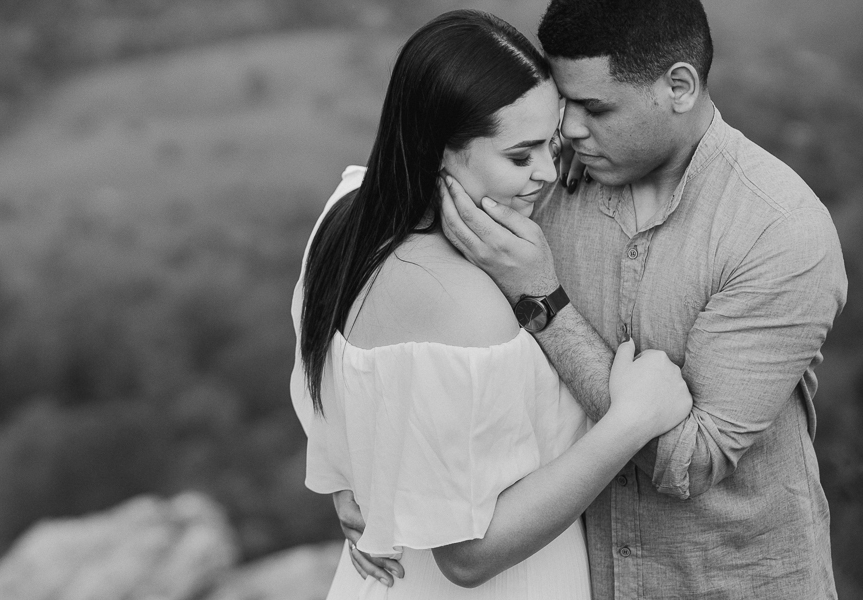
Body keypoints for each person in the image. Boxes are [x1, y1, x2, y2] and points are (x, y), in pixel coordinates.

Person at [430, 0, 847, 598]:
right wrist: (357, 461)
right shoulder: (542, 179)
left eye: (595, 108)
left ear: (678, 86)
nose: (569, 128)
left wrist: (542, 299)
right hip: (580, 579)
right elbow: (387, 233)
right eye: (564, 103)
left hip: (734, 584)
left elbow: (690, 460)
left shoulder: (777, 230)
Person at [289, 9, 692, 599]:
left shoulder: (347, 211)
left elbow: (330, 383)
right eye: (519, 155)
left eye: (551, 145)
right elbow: (469, 555)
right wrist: (629, 422)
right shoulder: (465, 303)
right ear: (436, 151)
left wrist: (348, 481)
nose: (549, 173)